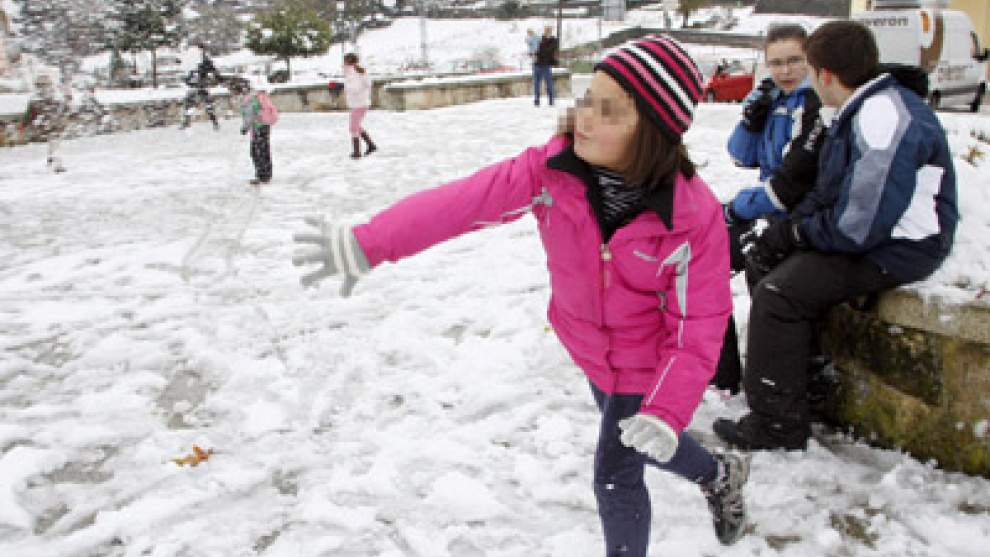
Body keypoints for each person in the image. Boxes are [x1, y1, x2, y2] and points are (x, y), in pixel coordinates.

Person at [293, 36, 750, 553]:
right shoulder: (552, 171)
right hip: (591, 350)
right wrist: (369, 243)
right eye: (588, 97)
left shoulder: (692, 220)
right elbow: (461, 203)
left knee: (616, 474)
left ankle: (709, 473)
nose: (584, 116)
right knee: (643, 441)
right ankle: (718, 471)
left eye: (609, 110)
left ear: (652, 132)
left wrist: (667, 406)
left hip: (648, 363)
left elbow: (699, 326)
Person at [713, 20, 958, 451]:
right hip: (872, 235)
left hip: (902, 246)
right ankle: (802, 382)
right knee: (763, 257)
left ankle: (777, 425)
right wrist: (786, 231)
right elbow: (829, 192)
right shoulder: (856, 108)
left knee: (779, 294)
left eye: (806, 69)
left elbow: (858, 223)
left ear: (825, 74)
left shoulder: (882, 117)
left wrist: (798, 233)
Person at [712, 24, 827, 394]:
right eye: (776, 63)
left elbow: (789, 186)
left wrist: (735, 210)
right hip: (770, 208)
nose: (785, 71)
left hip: (796, 214)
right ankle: (719, 370)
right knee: (703, 259)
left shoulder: (815, 104)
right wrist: (751, 119)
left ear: (811, 61)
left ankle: (775, 376)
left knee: (752, 263)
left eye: (795, 60)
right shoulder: (774, 100)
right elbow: (740, 156)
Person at [21, 74, 71, 173]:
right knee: (55, 143)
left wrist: (23, 125)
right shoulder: (57, 96)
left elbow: (30, 114)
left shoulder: (35, 99)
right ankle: (56, 163)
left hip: (46, 125)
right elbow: (66, 109)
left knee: (53, 143)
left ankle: (53, 160)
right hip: (55, 124)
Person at [230, 78, 272, 186]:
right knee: (263, 150)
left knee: (256, 152)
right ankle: (266, 175)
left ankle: (262, 176)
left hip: (258, 126)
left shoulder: (247, 99)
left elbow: (249, 115)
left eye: (233, 91)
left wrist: (244, 128)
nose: (232, 94)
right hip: (264, 125)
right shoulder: (254, 95)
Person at [180, 44, 222, 130]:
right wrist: (188, 80)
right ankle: (187, 122)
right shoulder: (195, 60)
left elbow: (213, 71)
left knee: (206, 104)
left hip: (201, 84)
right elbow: (190, 72)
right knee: (191, 103)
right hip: (196, 84)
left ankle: (214, 122)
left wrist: (212, 79)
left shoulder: (205, 60)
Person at [343, 52, 376, 159]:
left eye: (345, 61)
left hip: (358, 103)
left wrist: (343, 87)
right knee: (356, 126)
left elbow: (355, 88)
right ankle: (371, 145)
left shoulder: (353, 73)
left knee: (353, 128)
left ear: (349, 62)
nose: (343, 63)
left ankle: (357, 152)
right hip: (360, 102)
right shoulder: (358, 71)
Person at [534, 25, 558, 106]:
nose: (547, 31)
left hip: (546, 65)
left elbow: (550, 50)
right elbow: (537, 49)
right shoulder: (540, 39)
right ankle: (536, 100)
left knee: (549, 84)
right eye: (546, 30)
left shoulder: (553, 40)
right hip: (538, 64)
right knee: (537, 84)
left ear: (551, 31)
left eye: (548, 30)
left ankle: (551, 100)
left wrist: (542, 49)